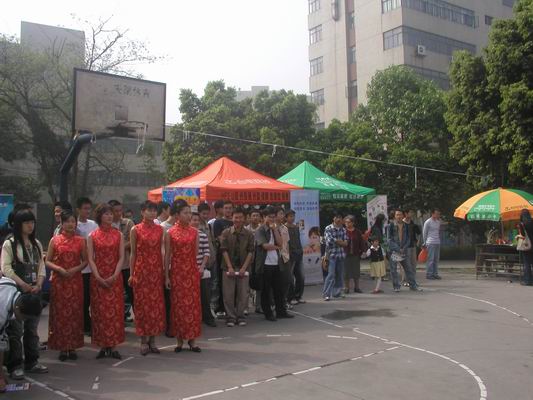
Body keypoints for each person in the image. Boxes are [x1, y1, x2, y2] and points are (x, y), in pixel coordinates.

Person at [0, 210, 48, 379]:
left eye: (32, 222)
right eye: (26, 222)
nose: (30, 226)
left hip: (35, 291)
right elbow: (6, 268)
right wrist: (22, 284)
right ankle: (15, 365)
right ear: (18, 224)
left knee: (32, 328)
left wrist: (39, 283)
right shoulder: (10, 244)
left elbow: (41, 266)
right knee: (15, 330)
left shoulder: (36, 244)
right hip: (17, 292)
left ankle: (32, 361)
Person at [45, 210, 87, 361]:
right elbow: (47, 260)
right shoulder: (55, 240)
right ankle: (62, 347)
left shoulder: (81, 241)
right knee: (60, 314)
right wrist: (59, 269)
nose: (70, 224)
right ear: (61, 223)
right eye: (67, 221)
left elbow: (85, 261)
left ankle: (73, 346)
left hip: (75, 282)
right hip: (59, 281)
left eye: (73, 221)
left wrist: (75, 269)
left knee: (75, 313)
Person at [87, 204, 125, 359]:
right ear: (99, 217)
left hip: (114, 278)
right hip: (98, 278)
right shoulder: (92, 236)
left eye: (111, 214)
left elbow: (121, 257)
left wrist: (115, 275)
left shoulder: (118, 234)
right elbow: (90, 258)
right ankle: (103, 345)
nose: (110, 216)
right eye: (106, 214)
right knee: (100, 312)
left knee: (115, 312)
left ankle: (114, 346)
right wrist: (98, 276)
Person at [129, 201, 166, 355]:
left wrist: (164, 271)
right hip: (141, 271)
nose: (152, 213)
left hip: (156, 272)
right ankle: (143, 340)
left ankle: (153, 340)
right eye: (149, 210)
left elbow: (162, 250)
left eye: (154, 210)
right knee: (142, 306)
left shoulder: (160, 229)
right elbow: (133, 253)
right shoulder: (135, 229)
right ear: (142, 212)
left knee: (155, 306)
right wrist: (131, 273)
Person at [165, 200, 202, 353]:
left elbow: (195, 253)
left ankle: (192, 341)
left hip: (191, 273)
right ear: (177, 215)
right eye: (185, 213)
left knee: (192, 306)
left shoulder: (195, 232)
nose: (188, 215)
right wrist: (166, 276)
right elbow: (167, 255)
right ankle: (179, 341)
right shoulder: (170, 232)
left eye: (189, 213)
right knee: (178, 306)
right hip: (177, 273)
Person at [0, 277, 42, 392]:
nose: (23, 320)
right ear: (18, 308)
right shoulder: (2, 312)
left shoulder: (12, 286)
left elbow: (1, 344)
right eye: (24, 317)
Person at [254, 207, 294, 321]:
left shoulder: (274, 229)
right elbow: (265, 246)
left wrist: (275, 230)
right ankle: (268, 313)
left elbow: (281, 243)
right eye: (269, 217)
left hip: (276, 262)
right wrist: (277, 247)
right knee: (266, 290)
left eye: (273, 217)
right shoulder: (260, 230)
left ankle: (281, 311)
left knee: (279, 289)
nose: (271, 219)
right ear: (264, 217)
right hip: (265, 264)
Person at [220, 207, 254, 327]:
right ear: (232, 218)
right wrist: (229, 267)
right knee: (228, 294)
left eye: (240, 217)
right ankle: (230, 317)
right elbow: (223, 250)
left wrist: (244, 268)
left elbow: (251, 251)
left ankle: (240, 316)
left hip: (243, 267)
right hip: (228, 267)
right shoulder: (226, 232)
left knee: (243, 294)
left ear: (244, 218)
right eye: (236, 217)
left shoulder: (249, 234)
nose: (238, 220)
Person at [109, 200, 135, 322]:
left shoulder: (128, 223)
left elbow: (133, 241)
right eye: (116, 211)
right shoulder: (106, 225)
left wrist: (121, 247)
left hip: (126, 264)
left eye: (120, 210)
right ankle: (118, 318)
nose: (119, 213)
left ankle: (138, 318)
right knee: (115, 293)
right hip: (111, 265)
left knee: (131, 292)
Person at [76, 197, 98, 336]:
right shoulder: (73, 224)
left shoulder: (94, 224)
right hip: (80, 268)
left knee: (92, 298)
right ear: (78, 209)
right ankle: (84, 324)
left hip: (93, 267)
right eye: (85, 208)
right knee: (82, 299)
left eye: (89, 208)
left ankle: (91, 323)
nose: (87, 211)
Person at [191, 212, 216, 327]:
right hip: (187, 270)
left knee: (204, 296)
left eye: (197, 220)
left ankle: (207, 318)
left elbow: (206, 252)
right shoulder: (184, 235)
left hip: (200, 270)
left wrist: (202, 267)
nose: (196, 222)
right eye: (193, 220)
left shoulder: (203, 235)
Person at [387, 210, 421, 292]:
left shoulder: (406, 226)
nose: (399, 216)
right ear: (395, 216)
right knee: (393, 270)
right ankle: (396, 287)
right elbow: (389, 239)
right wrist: (398, 248)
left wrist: (404, 248)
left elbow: (409, 238)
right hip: (394, 251)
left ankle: (413, 286)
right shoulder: (391, 225)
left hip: (404, 250)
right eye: (397, 215)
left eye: (400, 214)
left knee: (409, 268)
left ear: (403, 216)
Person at [212, 200, 233, 317]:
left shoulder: (235, 221)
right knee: (222, 282)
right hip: (222, 255)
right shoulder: (218, 222)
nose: (228, 210)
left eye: (230, 208)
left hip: (235, 256)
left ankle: (233, 307)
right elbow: (220, 239)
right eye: (226, 208)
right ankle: (221, 307)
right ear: (222, 209)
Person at [322, 212, 348, 301]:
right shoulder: (328, 228)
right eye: (337, 217)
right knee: (331, 274)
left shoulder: (343, 229)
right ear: (333, 218)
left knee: (339, 275)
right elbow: (329, 241)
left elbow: (346, 243)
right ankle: (326, 294)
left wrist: (338, 241)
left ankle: (337, 293)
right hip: (331, 255)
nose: (339, 219)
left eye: (340, 217)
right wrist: (340, 242)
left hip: (341, 255)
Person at [285, 210, 305, 305]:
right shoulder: (284, 228)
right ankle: (290, 297)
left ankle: (298, 296)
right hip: (290, 255)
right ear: (286, 218)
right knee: (290, 278)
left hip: (299, 254)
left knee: (301, 276)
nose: (292, 218)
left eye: (293, 216)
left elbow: (298, 240)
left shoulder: (296, 227)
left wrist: (301, 251)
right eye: (290, 216)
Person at [273, 208, 291, 309]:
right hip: (274, 257)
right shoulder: (271, 228)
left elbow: (287, 243)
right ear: (275, 215)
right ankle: (274, 302)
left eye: (283, 214)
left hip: (284, 257)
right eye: (280, 213)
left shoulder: (285, 228)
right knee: (276, 282)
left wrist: (287, 255)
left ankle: (283, 300)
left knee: (287, 280)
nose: (282, 215)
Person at [343, 215, 366, 294]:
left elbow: (361, 242)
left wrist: (363, 251)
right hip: (345, 254)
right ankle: (346, 288)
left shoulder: (357, 232)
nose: (347, 223)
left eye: (348, 222)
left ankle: (357, 287)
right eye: (346, 222)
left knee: (356, 271)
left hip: (355, 254)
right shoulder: (343, 231)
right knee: (346, 271)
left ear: (353, 223)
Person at [423, 208, 443, 280]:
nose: (438, 215)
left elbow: (438, 232)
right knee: (430, 259)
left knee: (436, 259)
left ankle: (435, 274)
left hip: (437, 242)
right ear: (433, 214)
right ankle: (429, 274)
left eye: (439, 214)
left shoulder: (438, 222)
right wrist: (424, 242)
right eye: (436, 213)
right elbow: (424, 232)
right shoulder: (428, 222)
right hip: (430, 242)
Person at [403, 209, 421, 285]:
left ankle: (412, 281)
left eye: (412, 212)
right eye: (410, 212)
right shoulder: (402, 224)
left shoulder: (412, 223)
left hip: (413, 246)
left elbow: (419, 233)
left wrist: (418, 242)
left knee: (413, 264)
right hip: (405, 247)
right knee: (407, 264)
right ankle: (406, 281)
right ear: (406, 214)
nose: (412, 214)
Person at [517, 209, 533, 285]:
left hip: (526, 246)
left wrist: (518, 236)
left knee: (527, 264)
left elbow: (523, 235)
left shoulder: (522, 224)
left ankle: (528, 281)